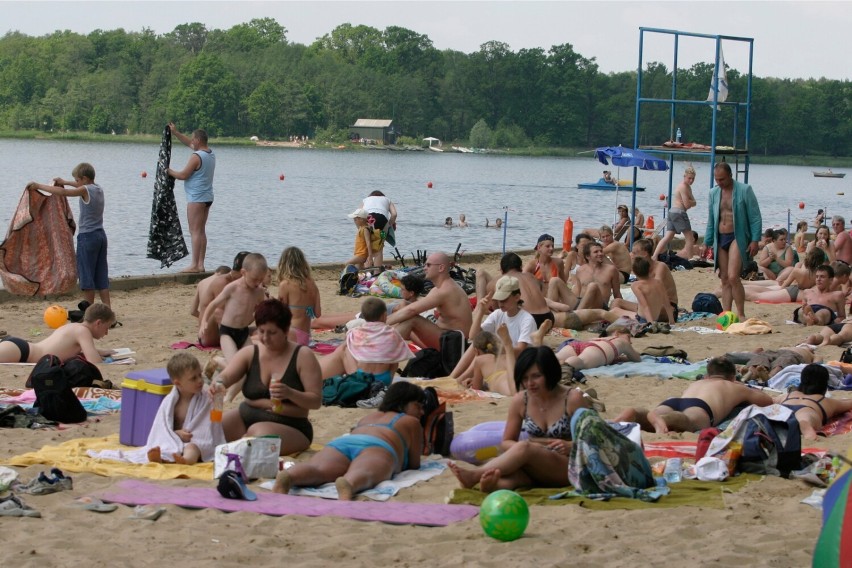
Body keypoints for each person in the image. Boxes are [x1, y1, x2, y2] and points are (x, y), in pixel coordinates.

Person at [447, 347, 592, 493]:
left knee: (524, 448)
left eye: (536, 376)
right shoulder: (521, 400)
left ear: (550, 373)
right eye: (524, 378)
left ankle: (474, 476)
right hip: (535, 466)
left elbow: (594, 442)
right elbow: (506, 442)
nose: (530, 383)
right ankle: (494, 486)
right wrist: (530, 450)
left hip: (569, 465)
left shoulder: (573, 399)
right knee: (511, 476)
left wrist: (569, 445)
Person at [271, 381, 424, 500]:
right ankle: (349, 484)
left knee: (318, 469)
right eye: (417, 406)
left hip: (341, 444)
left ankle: (290, 476)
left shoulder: (368, 417)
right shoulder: (410, 421)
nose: (421, 412)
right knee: (363, 471)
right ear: (402, 402)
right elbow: (414, 464)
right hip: (378, 446)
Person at [211, 299, 322, 456]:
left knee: (256, 435)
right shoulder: (251, 353)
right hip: (246, 415)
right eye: (261, 331)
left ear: (285, 330)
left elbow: (315, 401)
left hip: (290, 424)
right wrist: (218, 384)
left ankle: (238, 448)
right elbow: (227, 375)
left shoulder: (302, 356)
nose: (265, 338)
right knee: (212, 431)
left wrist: (290, 393)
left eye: (272, 332)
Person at [614, 357, 773, 434]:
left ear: (707, 375)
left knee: (652, 419)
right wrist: (742, 386)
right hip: (700, 407)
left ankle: (639, 414)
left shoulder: (698, 383)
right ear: (732, 377)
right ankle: (660, 420)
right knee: (686, 421)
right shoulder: (733, 386)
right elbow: (767, 400)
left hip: (675, 401)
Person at [28, 163, 110, 307]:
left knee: (87, 276)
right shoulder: (98, 189)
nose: (76, 183)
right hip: (101, 236)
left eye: (77, 180)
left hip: (88, 238)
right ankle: (108, 311)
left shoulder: (84, 190)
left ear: (84, 179)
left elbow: (65, 193)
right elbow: (80, 186)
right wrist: (65, 182)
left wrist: (38, 186)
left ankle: (88, 311)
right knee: (101, 277)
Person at [705, 162, 763, 319]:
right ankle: (727, 314)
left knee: (732, 276)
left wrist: (755, 240)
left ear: (730, 176)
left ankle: (741, 313)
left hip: (737, 236)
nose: (719, 182)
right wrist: (707, 242)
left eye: (722, 179)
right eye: (717, 179)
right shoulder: (713, 193)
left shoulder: (745, 190)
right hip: (720, 237)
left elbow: (755, 217)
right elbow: (711, 219)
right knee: (724, 278)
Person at [450, 276, 538, 380]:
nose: (500, 303)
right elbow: (473, 336)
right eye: (499, 300)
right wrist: (481, 312)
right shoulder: (498, 314)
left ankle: (459, 379)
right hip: (501, 359)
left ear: (517, 297)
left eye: (504, 300)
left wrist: (493, 349)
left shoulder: (526, 319)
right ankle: (452, 377)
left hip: (517, 364)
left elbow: (519, 350)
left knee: (483, 351)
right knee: (477, 343)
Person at [146, 353, 224, 465]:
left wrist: (218, 398)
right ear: (178, 383)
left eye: (200, 375)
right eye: (193, 378)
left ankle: (186, 460)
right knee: (164, 447)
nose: (200, 381)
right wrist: (176, 434)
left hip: (197, 442)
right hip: (175, 441)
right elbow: (162, 428)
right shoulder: (170, 402)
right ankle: (161, 458)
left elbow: (216, 421)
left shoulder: (206, 396)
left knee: (192, 448)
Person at [386, 252, 473, 349]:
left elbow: (412, 310)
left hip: (454, 344)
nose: (424, 268)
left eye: (428, 265)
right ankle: (380, 343)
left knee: (412, 319)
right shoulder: (439, 288)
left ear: (441, 268)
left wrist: (381, 323)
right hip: (447, 338)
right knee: (406, 310)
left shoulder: (445, 290)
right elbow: (413, 307)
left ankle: (378, 348)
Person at [319, 297, 413, 385]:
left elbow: (348, 347)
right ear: (385, 315)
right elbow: (401, 355)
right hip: (384, 379)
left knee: (346, 350)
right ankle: (386, 386)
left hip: (362, 377)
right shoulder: (393, 333)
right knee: (394, 359)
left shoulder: (355, 332)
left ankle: (352, 377)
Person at [202, 253, 268, 365]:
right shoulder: (233, 288)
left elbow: (264, 310)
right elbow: (213, 304)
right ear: (243, 273)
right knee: (235, 363)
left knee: (253, 363)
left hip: (243, 332)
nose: (258, 283)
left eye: (261, 280)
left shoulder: (258, 291)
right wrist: (204, 321)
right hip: (227, 332)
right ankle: (219, 365)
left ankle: (220, 363)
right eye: (255, 279)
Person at [166, 123, 215, 274]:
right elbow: (189, 143)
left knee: (194, 231)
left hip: (196, 197)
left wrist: (168, 171)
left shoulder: (196, 157)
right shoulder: (210, 153)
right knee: (201, 231)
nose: (191, 141)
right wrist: (175, 133)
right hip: (207, 197)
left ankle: (194, 264)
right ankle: (200, 264)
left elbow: (183, 175)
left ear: (198, 140)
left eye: (193, 139)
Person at [0, 303, 116, 364]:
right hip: (23, 352)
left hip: (21, 348)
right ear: (98, 323)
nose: (106, 333)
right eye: (107, 328)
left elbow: (75, 349)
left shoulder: (74, 326)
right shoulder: (83, 331)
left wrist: (103, 351)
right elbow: (94, 362)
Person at [774, 363, 852, 440]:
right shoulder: (825, 401)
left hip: (787, 404)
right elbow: (848, 403)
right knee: (806, 417)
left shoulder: (789, 395)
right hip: (809, 408)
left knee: (779, 413)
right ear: (824, 384)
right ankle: (805, 423)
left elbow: (772, 400)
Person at [190, 251, 249, 347]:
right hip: (207, 336)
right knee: (221, 310)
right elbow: (223, 313)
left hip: (221, 329)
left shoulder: (237, 282)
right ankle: (229, 340)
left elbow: (193, 311)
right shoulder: (222, 282)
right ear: (244, 272)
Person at [277, 247, 321, 347]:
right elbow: (318, 314)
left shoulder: (285, 285)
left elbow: (280, 315)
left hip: (291, 336)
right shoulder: (312, 284)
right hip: (306, 337)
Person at [610, 257, 674, 324]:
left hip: (642, 319)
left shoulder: (636, 285)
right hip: (656, 318)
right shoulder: (658, 283)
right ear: (649, 269)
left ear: (634, 272)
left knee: (614, 311)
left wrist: (650, 323)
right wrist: (671, 321)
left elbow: (645, 306)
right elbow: (667, 303)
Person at [654, 165, 697, 260]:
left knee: (668, 236)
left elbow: (694, 202)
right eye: (689, 178)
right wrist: (691, 202)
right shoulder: (683, 187)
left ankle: (654, 255)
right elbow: (687, 205)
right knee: (690, 238)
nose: (691, 180)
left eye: (693, 179)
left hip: (672, 211)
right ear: (684, 176)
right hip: (679, 212)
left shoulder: (687, 187)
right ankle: (690, 258)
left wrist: (691, 202)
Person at [556, 328, 642, 373]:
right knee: (581, 361)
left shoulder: (598, 338)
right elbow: (637, 358)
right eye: (628, 337)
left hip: (579, 344)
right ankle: (563, 368)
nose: (630, 342)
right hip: (598, 350)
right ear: (617, 333)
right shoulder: (622, 342)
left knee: (556, 357)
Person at [726, 344, 817, 384]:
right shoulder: (792, 346)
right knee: (762, 356)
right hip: (775, 352)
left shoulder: (810, 353)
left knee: (785, 360)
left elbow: (818, 363)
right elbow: (757, 352)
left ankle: (769, 376)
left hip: (795, 355)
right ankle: (751, 372)